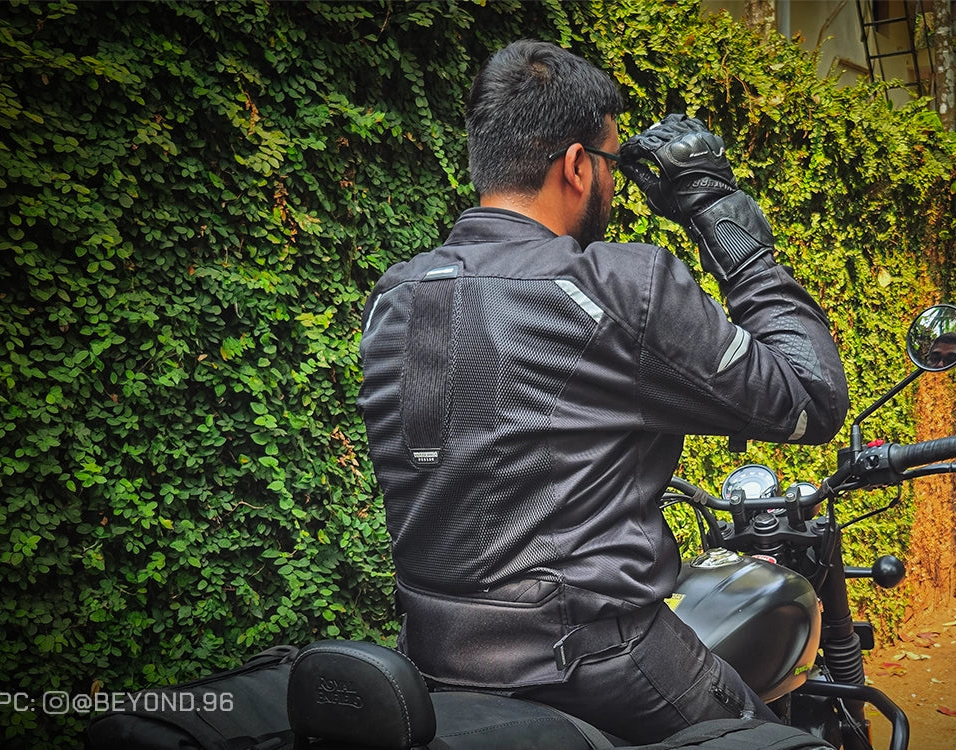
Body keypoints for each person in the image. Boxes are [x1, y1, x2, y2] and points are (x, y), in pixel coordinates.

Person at [357, 39, 849, 744]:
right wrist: (717, 210)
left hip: (434, 657)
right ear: (577, 166)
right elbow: (810, 396)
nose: (615, 184)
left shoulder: (396, 297)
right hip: (598, 660)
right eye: (613, 163)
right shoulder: (618, 287)